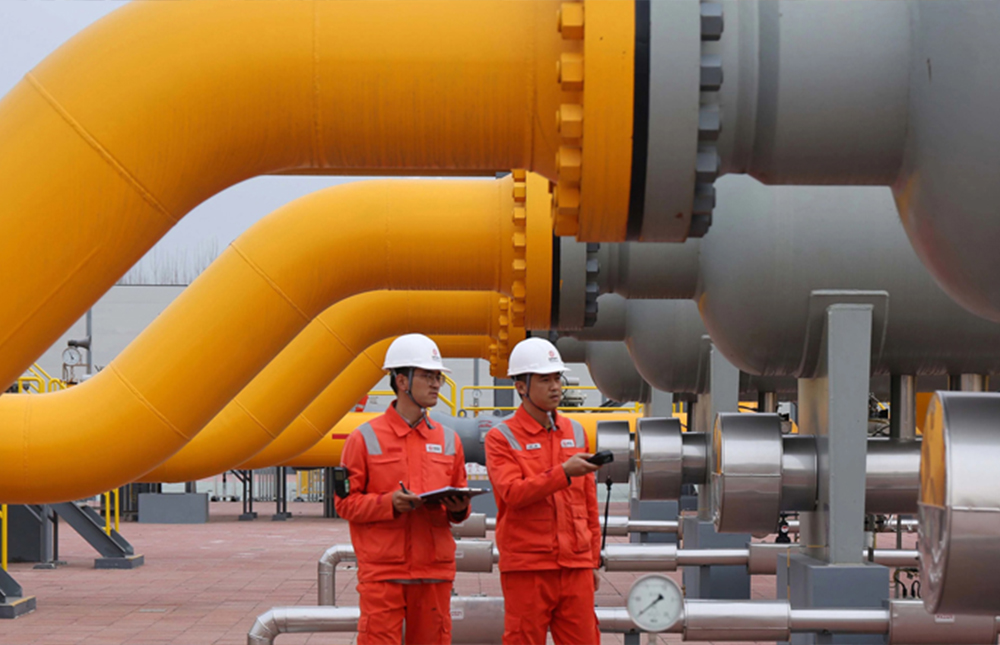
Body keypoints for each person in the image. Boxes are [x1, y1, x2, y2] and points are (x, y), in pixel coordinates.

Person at [335, 333, 471, 645]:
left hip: (434, 573)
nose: (436, 384)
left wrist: (459, 508)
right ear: (401, 381)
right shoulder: (363, 438)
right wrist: (389, 504)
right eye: (427, 376)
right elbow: (345, 504)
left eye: (438, 377)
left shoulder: (448, 439)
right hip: (384, 574)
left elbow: (460, 501)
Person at [484, 337, 602, 645]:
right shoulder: (501, 437)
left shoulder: (575, 431)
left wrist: (592, 560)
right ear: (521, 387)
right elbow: (512, 493)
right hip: (528, 566)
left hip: (575, 564)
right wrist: (563, 473)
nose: (555, 387)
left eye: (557, 378)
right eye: (544, 380)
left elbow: (589, 502)